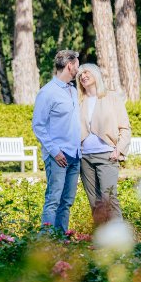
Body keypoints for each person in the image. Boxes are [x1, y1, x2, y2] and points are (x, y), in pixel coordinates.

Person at [32, 49, 82, 234]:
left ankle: (61, 242)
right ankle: (47, 244)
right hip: (58, 157)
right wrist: (55, 151)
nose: (78, 69)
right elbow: (38, 125)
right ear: (70, 65)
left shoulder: (73, 91)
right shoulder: (47, 92)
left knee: (66, 202)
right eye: (77, 65)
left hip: (75, 155)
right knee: (53, 200)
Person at [76, 62, 131, 223]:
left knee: (109, 199)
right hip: (85, 158)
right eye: (80, 75)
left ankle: (119, 241)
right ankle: (102, 241)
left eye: (86, 72)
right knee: (95, 203)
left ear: (96, 74)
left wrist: (119, 150)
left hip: (107, 155)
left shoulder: (111, 97)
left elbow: (125, 128)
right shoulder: (79, 101)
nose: (83, 76)